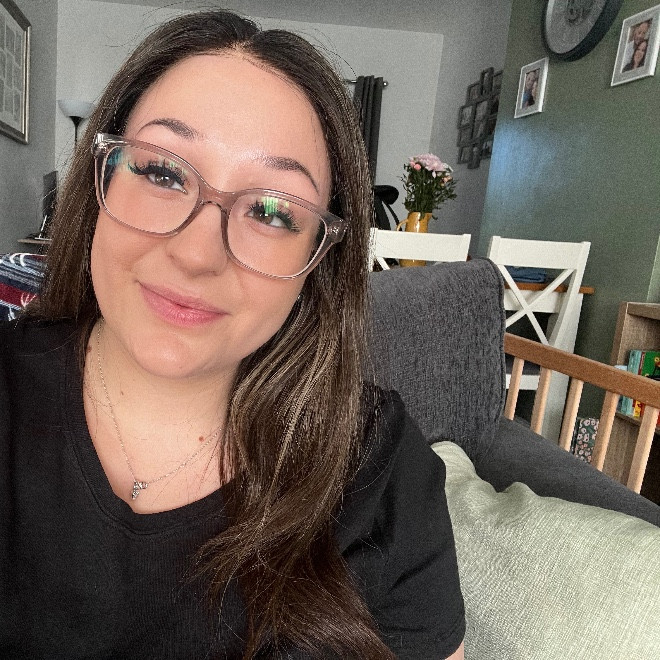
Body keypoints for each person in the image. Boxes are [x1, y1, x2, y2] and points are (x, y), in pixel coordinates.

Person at [0, 10, 465, 659]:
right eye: (162, 172)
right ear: (100, 175)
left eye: (271, 210)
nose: (197, 254)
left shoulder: (378, 471)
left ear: (320, 259)